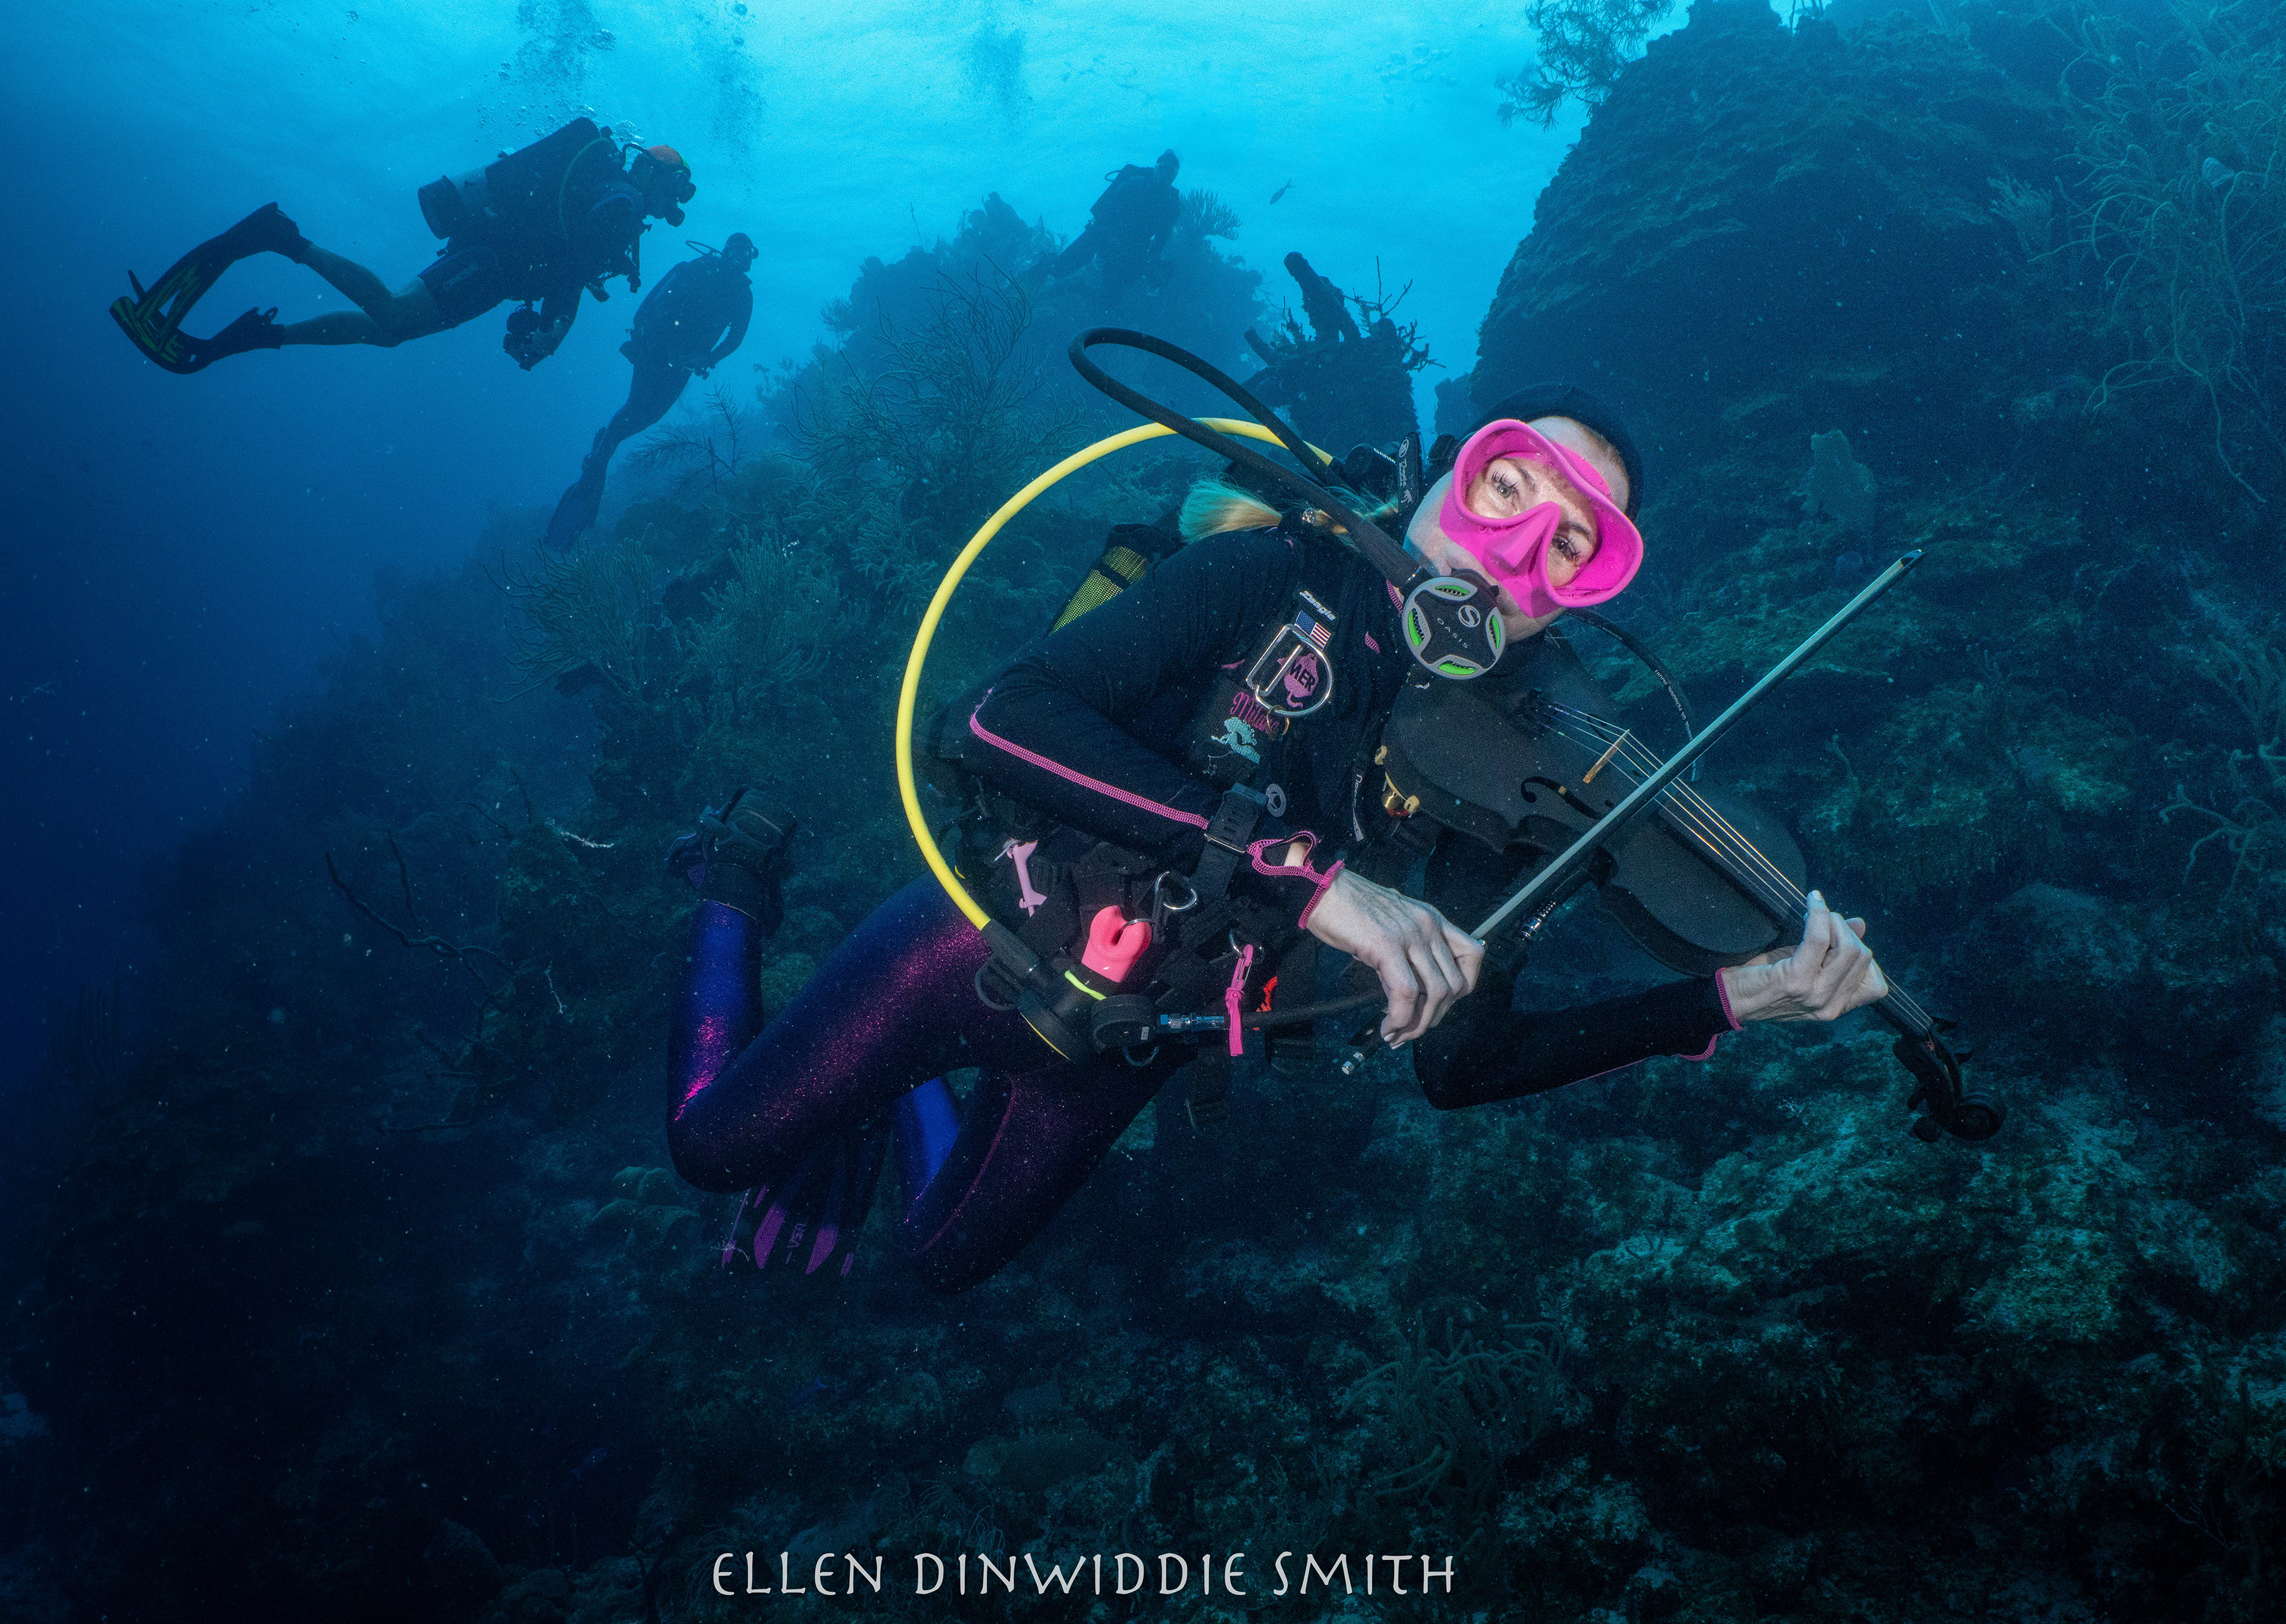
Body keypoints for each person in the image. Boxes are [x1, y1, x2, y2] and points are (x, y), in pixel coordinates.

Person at [662, 384, 1889, 1293]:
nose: (1516, 549)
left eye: (1574, 542)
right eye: (1509, 486)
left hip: (1124, 1052)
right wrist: (1308, 881)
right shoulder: (1266, 574)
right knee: (712, 1148)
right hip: (987, 940)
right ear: (1445, 472)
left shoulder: (1516, 780)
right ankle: (734, 882)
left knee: (939, 1262)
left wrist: (1725, 1001)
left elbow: (1463, 1067)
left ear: (1579, 593)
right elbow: (997, 718)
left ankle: (889, 1096)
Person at [108, 121, 695, 375]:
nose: (676, 204)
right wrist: (555, 329)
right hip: (493, 264)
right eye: (676, 189)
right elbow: (572, 266)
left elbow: (568, 261)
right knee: (392, 313)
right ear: (654, 177)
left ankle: (263, 335)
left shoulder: (614, 198)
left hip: (495, 268)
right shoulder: (622, 204)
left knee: (388, 331)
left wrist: (549, 324)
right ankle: (281, 239)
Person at [544, 233, 757, 552]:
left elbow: (735, 339)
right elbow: (653, 304)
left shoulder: (741, 294)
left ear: (750, 258)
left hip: (681, 360)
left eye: (745, 253)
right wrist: (649, 340)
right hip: (657, 350)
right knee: (638, 409)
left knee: (647, 415)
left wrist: (707, 358)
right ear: (725, 252)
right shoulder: (695, 269)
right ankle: (601, 456)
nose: (739, 258)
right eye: (736, 251)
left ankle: (604, 447)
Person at [1036, 150, 1183, 296]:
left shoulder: (1172, 203)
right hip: (1105, 233)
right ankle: (1044, 274)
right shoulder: (1136, 181)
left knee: (1111, 297)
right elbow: (1108, 205)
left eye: (1171, 172)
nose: (1165, 175)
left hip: (1129, 249)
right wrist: (1104, 239)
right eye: (1163, 168)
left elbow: (1162, 238)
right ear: (1156, 167)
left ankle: (1073, 287)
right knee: (1061, 268)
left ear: (1175, 176)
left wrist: (1151, 264)